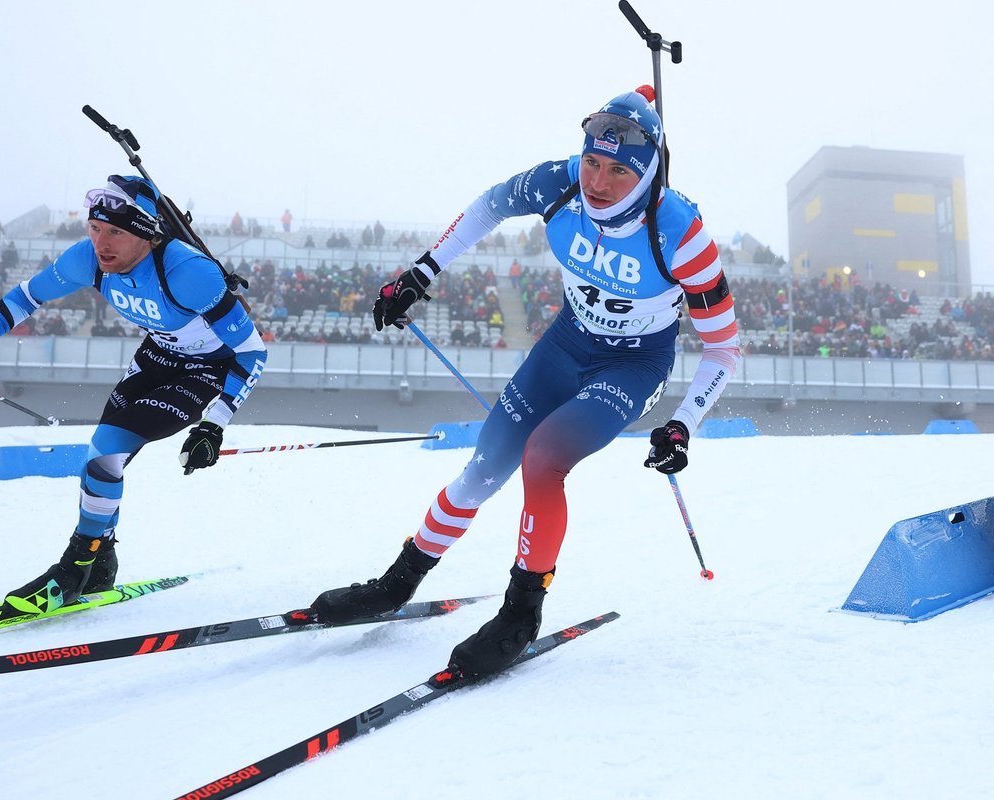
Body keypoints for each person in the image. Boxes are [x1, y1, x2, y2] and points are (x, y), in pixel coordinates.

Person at [310, 86, 740, 679]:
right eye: (592, 161)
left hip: (633, 365)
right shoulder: (558, 182)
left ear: (647, 174)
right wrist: (422, 271)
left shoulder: (680, 231)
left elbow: (723, 347)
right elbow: (490, 204)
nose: (599, 182)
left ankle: (520, 615)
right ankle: (395, 584)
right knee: (485, 465)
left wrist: (682, 424)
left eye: (619, 170)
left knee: (543, 459)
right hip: (566, 344)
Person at [0, 175, 267, 618]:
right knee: (102, 458)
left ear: (146, 234)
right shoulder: (87, 259)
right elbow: (24, 298)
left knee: (104, 455)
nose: (100, 243)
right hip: (156, 357)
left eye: (115, 233)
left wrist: (213, 424)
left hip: (207, 370)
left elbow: (252, 351)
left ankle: (72, 569)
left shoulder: (187, 272)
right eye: (94, 228)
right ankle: (101, 559)